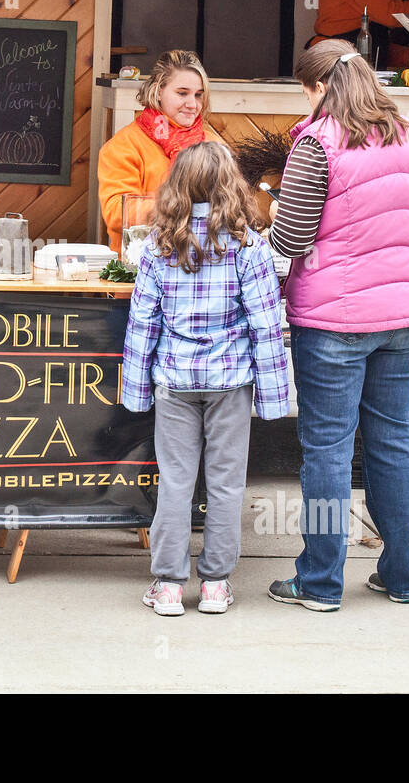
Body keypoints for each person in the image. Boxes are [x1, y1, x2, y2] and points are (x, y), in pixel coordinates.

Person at [266, 39, 409, 612]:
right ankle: (404, 576)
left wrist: (268, 220)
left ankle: (319, 582)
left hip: (334, 319)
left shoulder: (318, 143)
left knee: (328, 451)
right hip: (406, 316)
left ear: (317, 88)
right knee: (393, 441)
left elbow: (291, 238)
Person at [122, 141, 289, 617]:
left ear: (177, 186)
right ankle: (215, 584)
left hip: (174, 380)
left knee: (174, 481)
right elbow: (265, 323)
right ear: (230, 186)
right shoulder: (250, 246)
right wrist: (275, 399)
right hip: (230, 382)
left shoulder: (158, 245)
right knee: (226, 483)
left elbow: (143, 322)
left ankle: (169, 586)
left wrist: (135, 391)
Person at [97, 50, 225, 252]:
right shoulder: (123, 145)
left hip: (206, 266)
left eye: (199, 95)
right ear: (158, 91)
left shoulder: (215, 145)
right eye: (182, 93)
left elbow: (233, 206)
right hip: (140, 266)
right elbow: (116, 213)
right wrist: (184, 204)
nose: (192, 104)